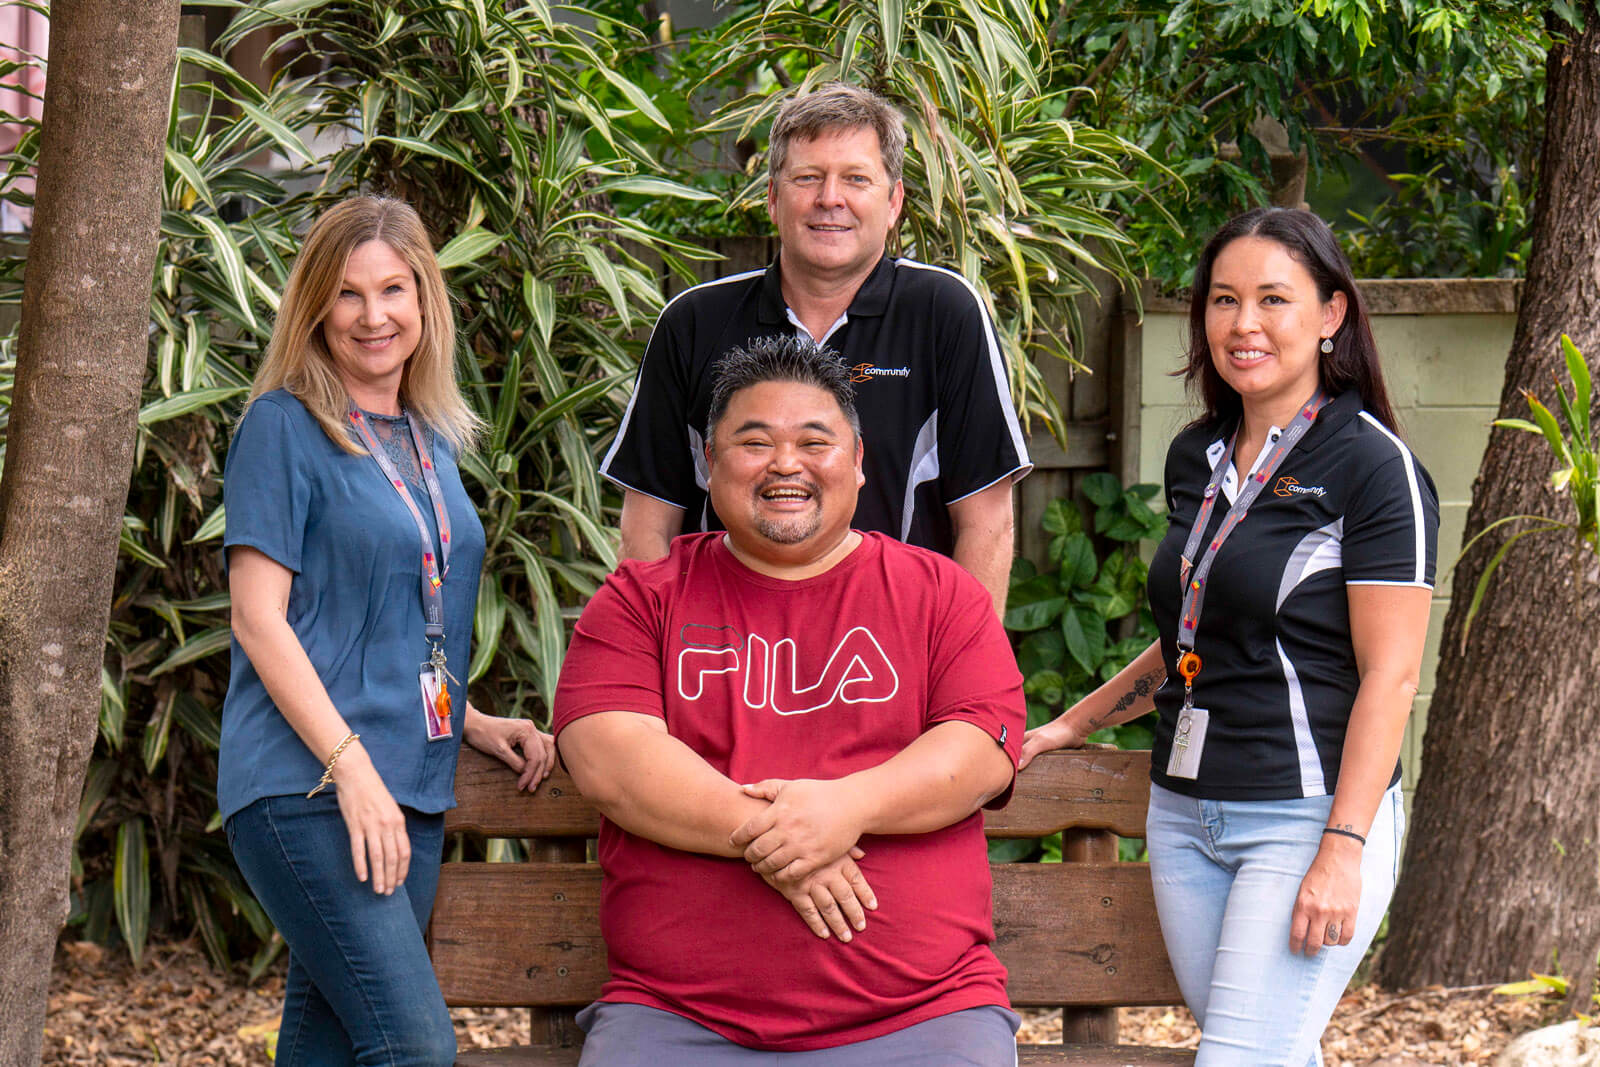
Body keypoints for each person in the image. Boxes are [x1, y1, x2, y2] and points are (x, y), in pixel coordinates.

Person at [1021, 207, 1438, 1066]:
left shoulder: (1372, 466)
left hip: (1305, 812)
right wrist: (1074, 724)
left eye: (1273, 300)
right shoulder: (1196, 454)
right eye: (1223, 299)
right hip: (1185, 814)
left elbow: (1392, 677)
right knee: (1269, 1051)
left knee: (1242, 1057)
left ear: (1331, 316)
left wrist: (1343, 848)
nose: (1243, 324)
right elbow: (1190, 632)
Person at [554, 336, 1027, 1064]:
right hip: (678, 1017)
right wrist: (789, 837)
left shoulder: (941, 594)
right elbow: (608, 758)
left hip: (921, 1016)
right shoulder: (640, 600)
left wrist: (849, 809)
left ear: (860, 463)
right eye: (753, 441)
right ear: (710, 465)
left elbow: (979, 750)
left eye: (815, 441)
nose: (784, 464)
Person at [219, 196, 557, 1066]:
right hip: (311, 784)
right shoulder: (282, 427)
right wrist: (350, 765)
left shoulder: (430, 439)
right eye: (347, 294)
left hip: (411, 783)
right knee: (413, 1044)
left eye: (393, 290)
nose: (374, 316)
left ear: (423, 302)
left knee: (328, 1045)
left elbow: (413, 619)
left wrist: (472, 721)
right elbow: (259, 620)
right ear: (316, 310)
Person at [600, 81, 1031, 615]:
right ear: (774, 199)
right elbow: (649, 526)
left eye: (856, 178)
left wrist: (968, 675)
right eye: (808, 178)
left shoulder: (945, 313)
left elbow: (986, 523)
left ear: (893, 201)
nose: (831, 198)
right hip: (727, 664)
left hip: (892, 658)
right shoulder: (694, 323)